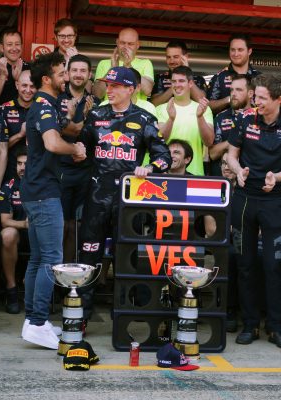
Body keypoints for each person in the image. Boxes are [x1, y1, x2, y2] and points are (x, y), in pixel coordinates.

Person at [79, 66, 171, 325]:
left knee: (127, 257)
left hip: (129, 199)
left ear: (131, 89)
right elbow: (81, 150)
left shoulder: (144, 118)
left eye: (116, 85)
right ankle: (82, 316)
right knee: (89, 255)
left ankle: (125, 314)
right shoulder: (95, 114)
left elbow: (163, 156)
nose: (109, 89)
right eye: (107, 84)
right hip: (97, 196)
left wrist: (150, 168)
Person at [225, 74, 281, 349]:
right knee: (244, 264)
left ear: (279, 99)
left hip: (274, 199)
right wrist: (239, 172)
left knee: (274, 266)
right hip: (245, 197)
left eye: (262, 97)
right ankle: (249, 324)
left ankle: (276, 326)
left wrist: (276, 178)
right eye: (255, 96)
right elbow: (230, 155)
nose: (255, 101)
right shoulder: (244, 119)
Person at [20, 52, 86, 349]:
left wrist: (73, 120)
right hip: (45, 193)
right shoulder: (43, 106)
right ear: (47, 79)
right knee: (51, 259)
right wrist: (74, 150)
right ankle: (36, 323)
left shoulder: (46, 106)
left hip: (35, 191)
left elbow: (65, 129)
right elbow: (51, 142)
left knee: (37, 259)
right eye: (62, 73)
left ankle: (34, 319)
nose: (67, 77)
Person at [57, 55, 96, 263]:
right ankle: (56, 274)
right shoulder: (57, 100)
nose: (79, 74)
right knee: (61, 224)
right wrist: (77, 119)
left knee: (78, 226)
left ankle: (73, 276)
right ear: (67, 73)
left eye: (83, 71)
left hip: (86, 171)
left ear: (89, 75)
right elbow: (63, 133)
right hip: (61, 169)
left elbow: (94, 138)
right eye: (75, 70)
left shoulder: (96, 103)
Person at [155, 66, 213, 176]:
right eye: (174, 81)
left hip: (195, 174)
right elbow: (159, 141)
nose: (177, 85)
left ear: (190, 83)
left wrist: (200, 117)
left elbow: (209, 142)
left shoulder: (203, 108)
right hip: (164, 173)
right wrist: (171, 119)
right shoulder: (160, 109)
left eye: (181, 81)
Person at [0, 146, 28, 314]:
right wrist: (24, 225)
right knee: (7, 234)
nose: (22, 168)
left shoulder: (43, 185)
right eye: (19, 164)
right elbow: (4, 221)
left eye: (26, 164)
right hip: (19, 234)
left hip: (39, 235)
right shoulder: (8, 187)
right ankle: (11, 289)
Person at [209, 74, 254, 176]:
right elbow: (212, 154)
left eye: (239, 90)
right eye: (232, 90)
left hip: (251, 181)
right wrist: (233, 140)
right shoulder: (221, 117)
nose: (233, 94)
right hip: (224, 181)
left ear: (250, 93)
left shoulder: (260, 117)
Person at [93, 28, 154, 100]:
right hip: (110, 110)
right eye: (122, 43)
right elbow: (97, 94)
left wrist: (129, 66)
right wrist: (113, 70)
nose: (126, 47)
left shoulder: (145, 63)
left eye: (130, 44)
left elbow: (147, 91)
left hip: (136, 110)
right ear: (117, 42)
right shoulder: (103, 63)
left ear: (138, 45)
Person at [207, 33, 260, 114]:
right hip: (224, 125)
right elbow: (208, 107)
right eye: (232, 50)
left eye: (240, 50)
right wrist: (228, 99)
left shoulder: (260, 78)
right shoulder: (219, 77)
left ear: (249, 51)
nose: (236, 54)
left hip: (253, 125)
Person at [0, 69, 35, 180]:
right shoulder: (4, 110)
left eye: (32, 86)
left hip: (36, 171)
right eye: (24, 85)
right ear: (17, 85)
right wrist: (20, 134)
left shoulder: (43, 109)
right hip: (10, 171)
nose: (28, 90)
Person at [151, 41, 207, 106]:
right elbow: (154, 104)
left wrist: (186, 75)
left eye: (176, 57)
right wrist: (176, 84)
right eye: (168, 57)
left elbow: (202, 101)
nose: (171, 61)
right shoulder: (160, 78)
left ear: (185, 57)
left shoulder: (198, 79)